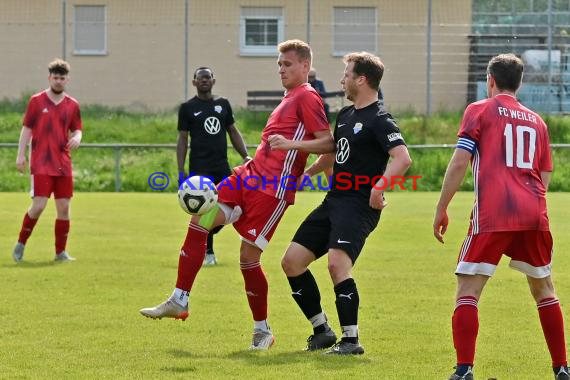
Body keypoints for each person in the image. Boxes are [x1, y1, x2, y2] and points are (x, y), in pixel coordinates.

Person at [140, 39, 334, 350]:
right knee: (200, 219)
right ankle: (180, 298)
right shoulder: (289, 97)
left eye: (288, 64)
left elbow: (329, 143)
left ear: (306, 66)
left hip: (271, 190)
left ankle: (262, 331)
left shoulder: (308, 97)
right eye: (279, 65)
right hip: (247, 177)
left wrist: (293, 149)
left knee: (248, 258)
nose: (281, 70)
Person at [433, 54, 568, 380]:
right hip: (535, 212)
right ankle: (562, 368)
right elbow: (545, 172)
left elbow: (459, 162)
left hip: (494, 213)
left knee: (468, 289)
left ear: (490, 80)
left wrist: (442, 207)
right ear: (519, 83)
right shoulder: (537, 121)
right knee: (545, 289)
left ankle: (464, 370)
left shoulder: (478, 110)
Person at [277, 52, 412, 354]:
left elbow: (402, 157)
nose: (342, 80)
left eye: (347, 74)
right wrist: (308, 173)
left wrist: (380, 186)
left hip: (359, 205)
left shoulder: (379, 119)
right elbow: (334, 150)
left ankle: (351, 340)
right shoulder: (347, 115)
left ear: (362, 79)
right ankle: (322, 330)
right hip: (334, 199)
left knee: (337, 264)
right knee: (292, 262)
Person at [177, 66, 250, 266]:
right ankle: (207, 252)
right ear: (194, 82)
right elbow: (182, 139)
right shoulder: (187, 108)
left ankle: (210, 231)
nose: (204, 80)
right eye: (200, 78)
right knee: (204, 209)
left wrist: (245, 156)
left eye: (207, 77)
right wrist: (180, 170)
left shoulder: (223, 104)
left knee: (237, 205)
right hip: (199, 169)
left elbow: (233, 132)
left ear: (213, 80)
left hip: (222, 167)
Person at [12, 59, 83, 263]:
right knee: (39, 205)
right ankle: (21, 243)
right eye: (55, 77)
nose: (59, 81)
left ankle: (60, 253)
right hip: (41, 163)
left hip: (63, 164)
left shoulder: (72, 105)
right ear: (49, 78)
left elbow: (77, 128)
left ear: (67, 79)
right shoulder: (36, 101)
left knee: (63, 208)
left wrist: (77, 137)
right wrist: (20, 155)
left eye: (62, 78)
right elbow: (26, 129)